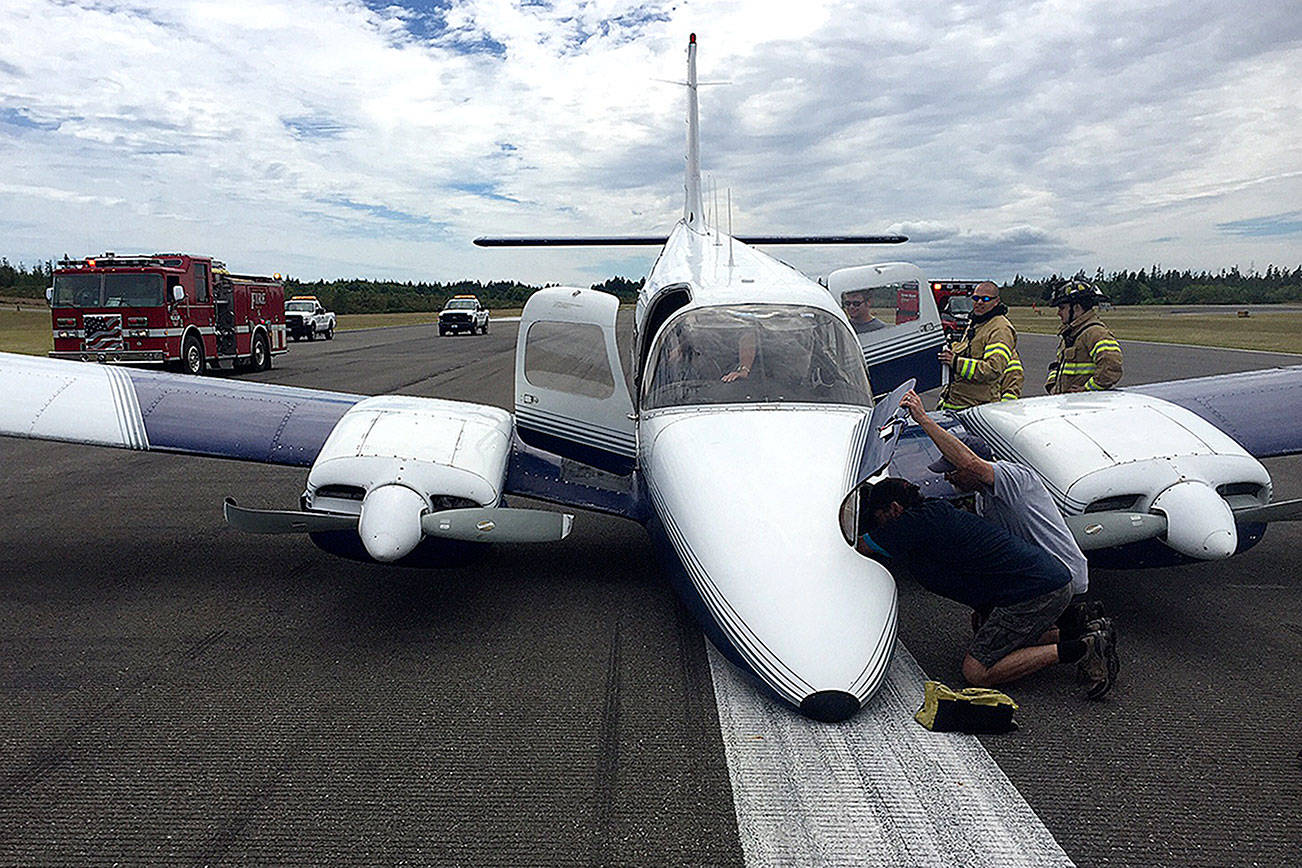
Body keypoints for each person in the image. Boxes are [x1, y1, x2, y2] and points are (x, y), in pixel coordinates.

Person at [859, 477, 1119, 699]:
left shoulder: (910, 524)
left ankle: (1085, 647)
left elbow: (859, 546)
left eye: (877, 517)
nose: (877, 523)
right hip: (1043, 582)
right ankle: (1083, 627)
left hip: (1035, 593)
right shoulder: (933, 512)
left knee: (977, 672)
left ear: (894, 508)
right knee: (984, 629)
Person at [936, 282, 1018, 410]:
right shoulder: (976, 322)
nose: (979, 302)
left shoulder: (1000, 329)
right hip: (955, 404)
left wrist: (956, 362)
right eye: (975, 298)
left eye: (985, 299)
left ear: (996, 301)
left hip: (975, 409)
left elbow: (993, 369)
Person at [1046, 280, 1122, 393]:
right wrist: (1053, 386)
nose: (1058, 313)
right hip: (1067, 403)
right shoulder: (1071, 334)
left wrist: (1088, 389)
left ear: (1076, 308)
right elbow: (1059, 365)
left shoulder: (1095, 333)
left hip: (1085, 406)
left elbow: (1111, 365)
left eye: (1062, 308)